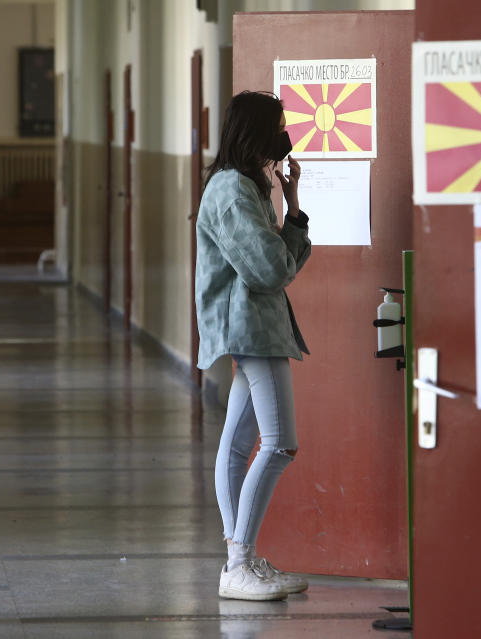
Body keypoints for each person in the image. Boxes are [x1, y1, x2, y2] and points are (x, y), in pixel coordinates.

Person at [195, 91, 312, 601]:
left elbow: (283, 262)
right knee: (280, 443)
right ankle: (238, 564)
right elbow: (270, 269)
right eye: (278, 127)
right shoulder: (230, 191)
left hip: (259, 328)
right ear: (255, 133)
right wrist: (284, 239)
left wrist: (293, 206)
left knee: (241, 444)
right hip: (250, 330)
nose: (284, 136)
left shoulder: (249, 186)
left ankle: (238, 561)